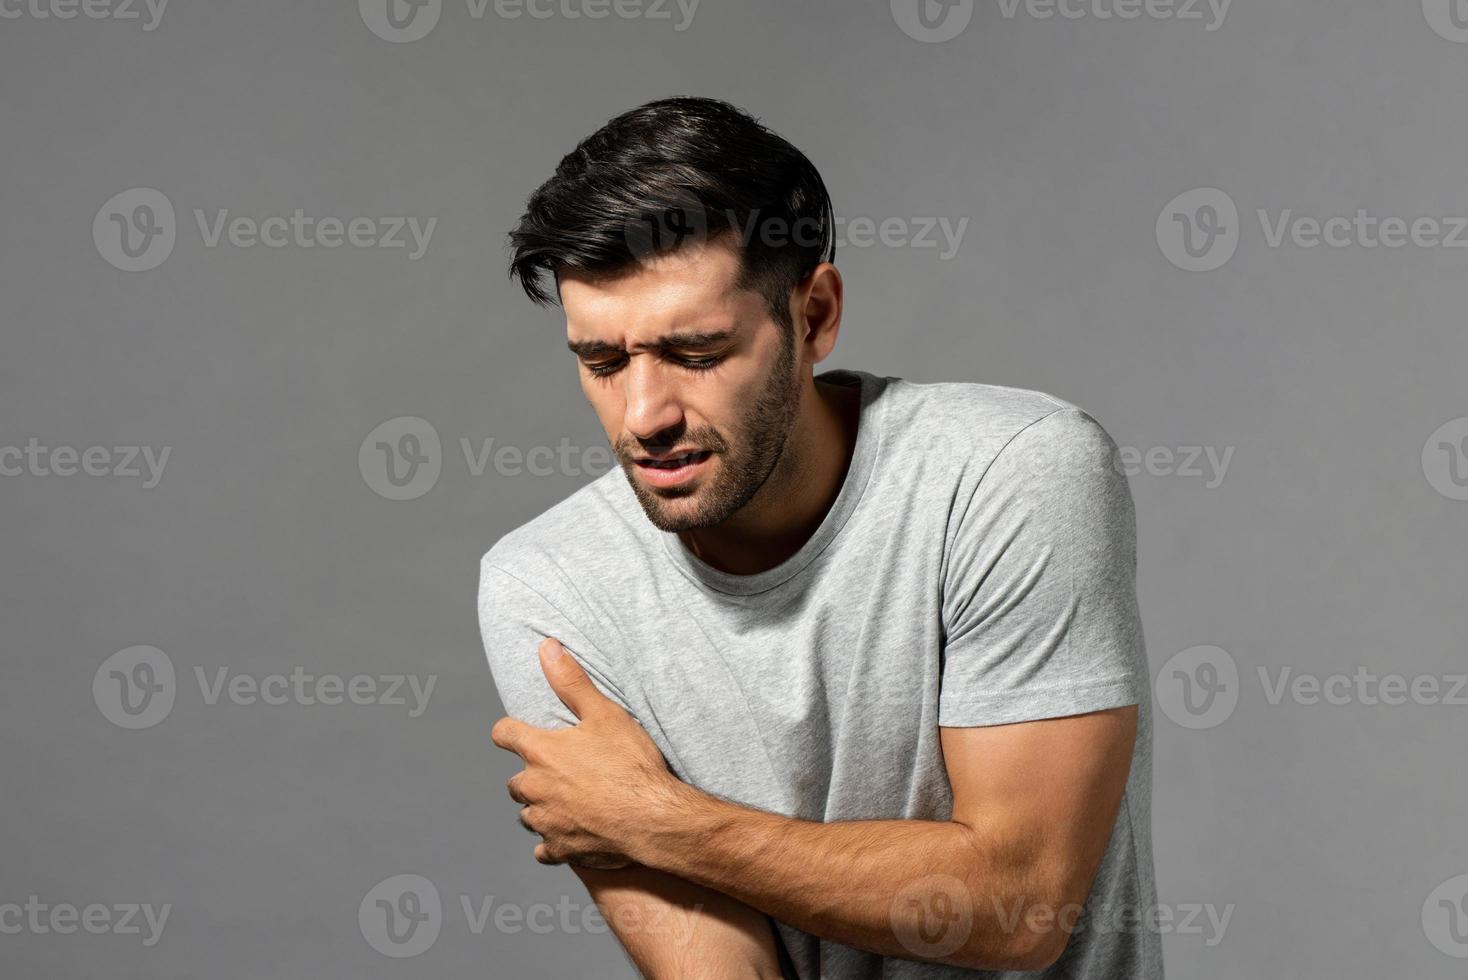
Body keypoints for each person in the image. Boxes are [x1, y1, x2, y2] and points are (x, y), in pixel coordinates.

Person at [480, 96, 1162, 979]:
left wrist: (659, 818)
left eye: (696, 353)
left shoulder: (1008, 472)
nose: (643, 417)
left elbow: (1018, 907)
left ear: (814, 317)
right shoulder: (551, 588)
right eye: (601, 363)